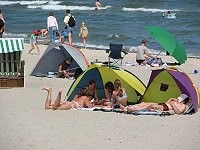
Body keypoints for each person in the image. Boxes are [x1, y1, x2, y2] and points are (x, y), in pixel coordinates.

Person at [120, 94, 191, 115]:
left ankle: (131, 109)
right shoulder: (176, 101)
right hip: (163, 104)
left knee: (149, 106)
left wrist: (173, 104)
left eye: (180, 99)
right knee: (143, 103)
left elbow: (178, 111)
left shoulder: (183, 106)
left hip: (165, 108)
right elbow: (166, 102)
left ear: (184, 101)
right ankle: (126, 108)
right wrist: (171, 99)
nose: (179, 100)